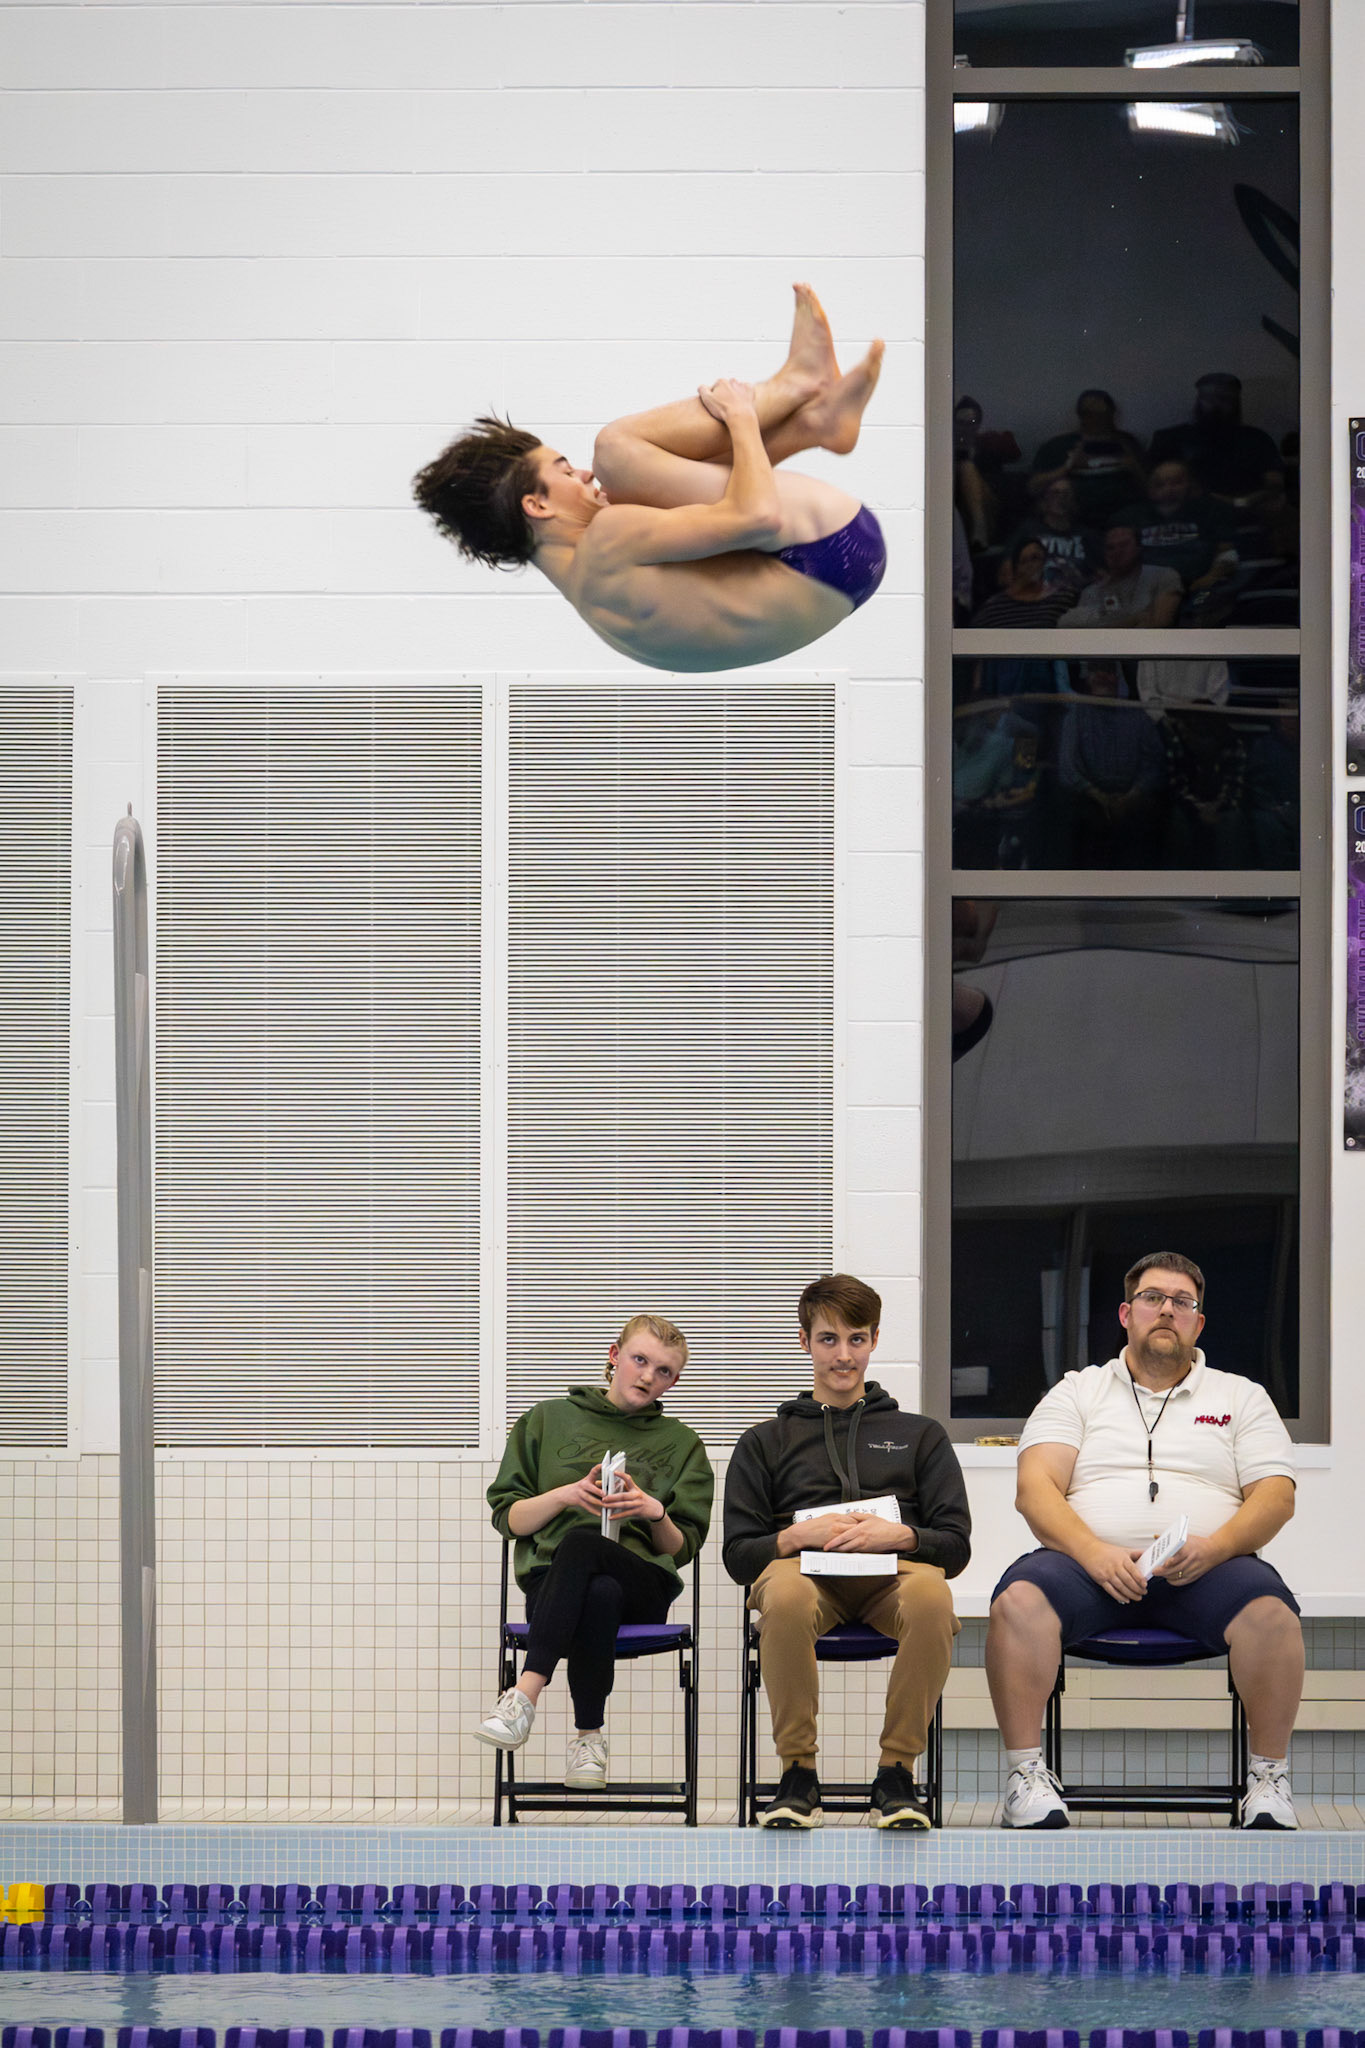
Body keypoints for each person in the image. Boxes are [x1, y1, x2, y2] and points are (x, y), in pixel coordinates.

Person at [412, 285, 887, 673]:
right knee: (616, 453)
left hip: (840, 578)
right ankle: (799, 386)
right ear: (537, 506)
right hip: (830, 545)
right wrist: (741, 415)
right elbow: (759, 515)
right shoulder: (607, 539)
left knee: (635, 484)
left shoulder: (595, 604)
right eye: (564, 472)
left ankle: (813, 425)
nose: (583, 474)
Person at [985, 1251, 1302, 1832]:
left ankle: (1268, 1781)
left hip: (1208, 1568)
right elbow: (1036, 1490)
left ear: (1198, 1324)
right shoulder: (1076, 1393)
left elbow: (1276, 1497)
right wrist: (1093, 1552)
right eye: (1154, 1298)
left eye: (1183, 1303)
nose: (1168, 1311)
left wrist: (1216, 1546)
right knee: (1018, 1603)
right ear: (1126, 1315)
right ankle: (1026, 1778)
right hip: (1088, 1568)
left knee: (1272, 1613)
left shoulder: (1241, 1397)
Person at [723, 1274, 970, 1831]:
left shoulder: (920, 1434)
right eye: (829, 1339)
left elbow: (955, 1546)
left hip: (894, 1576)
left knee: (933, 1594)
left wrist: (902, 1535)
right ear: (805, 1341)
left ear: (875, 1340)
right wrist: (793, 1537)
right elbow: (739, 1556)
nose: (843, 1355)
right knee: (782, 1595)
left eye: (856, 1339)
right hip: (805, 1575)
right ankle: (798, 1774)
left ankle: (896, 1773)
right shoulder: (765, 1440)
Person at [477, 1313, 713, 1791]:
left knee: (586, 1548)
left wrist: (652, 1511)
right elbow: (509, 1519)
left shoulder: (683, 1444)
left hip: (643, 1584)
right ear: (614, 1356)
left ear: (675, 1380)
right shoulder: (546, 1420)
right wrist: (565, 1495)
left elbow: (682, 1547)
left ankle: (524, 1696)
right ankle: (589, 1740)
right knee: (597, 1589)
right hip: (555, 1586)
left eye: (663, 1371)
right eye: (640, 1360)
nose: (648, 1376)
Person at [1148, 373, 1285, 514]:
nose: (1215, 405)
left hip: (1245, 514)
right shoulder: (1170, 438)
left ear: (1236, 402)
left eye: (1224, 399)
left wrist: (1240, 502)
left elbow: (1274, 485)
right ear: (1198, 400)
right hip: (1190, 517)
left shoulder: (1257, 439)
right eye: (1207, 398)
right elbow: (1153, 486)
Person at [1114, 460, 1240, 600]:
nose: (1169, 489)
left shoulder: (1212, 510)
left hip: (1200, 588)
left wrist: (1211, 577)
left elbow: (1227, 551)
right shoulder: (1129, 517)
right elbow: (1118, 557)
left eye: (1176, 483)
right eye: (1160, 484)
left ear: (1191, 484)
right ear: (1149, 488)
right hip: (1145, 591)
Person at [1029, 389, 1147, 530]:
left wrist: (1133, 466)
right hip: (1075, 516)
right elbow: (1032, 488)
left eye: (1102, 414)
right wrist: (1067, 468)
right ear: (1080, 415)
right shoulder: (1058, 446)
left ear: (1112, 415)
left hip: (1124, 516)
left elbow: (1152, 488)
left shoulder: (1128, 442)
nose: (1096, 419)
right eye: (1089, 413)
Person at [1066, 523, 1182, 629]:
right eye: (1111, 548)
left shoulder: (1163, 575)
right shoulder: (1091, 592)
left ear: (1138, 548)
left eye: (1124, 545)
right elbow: (1082, 631)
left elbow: (1161, 621)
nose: (1117, 552)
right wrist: (1134, 620)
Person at [970, 538, 1079, 629]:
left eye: (1035, 558)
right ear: (1016, 568)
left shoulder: (1064, 597)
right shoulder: (994, 607)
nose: (1030, 565)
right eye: (1024, 561)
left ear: (1046, 562)